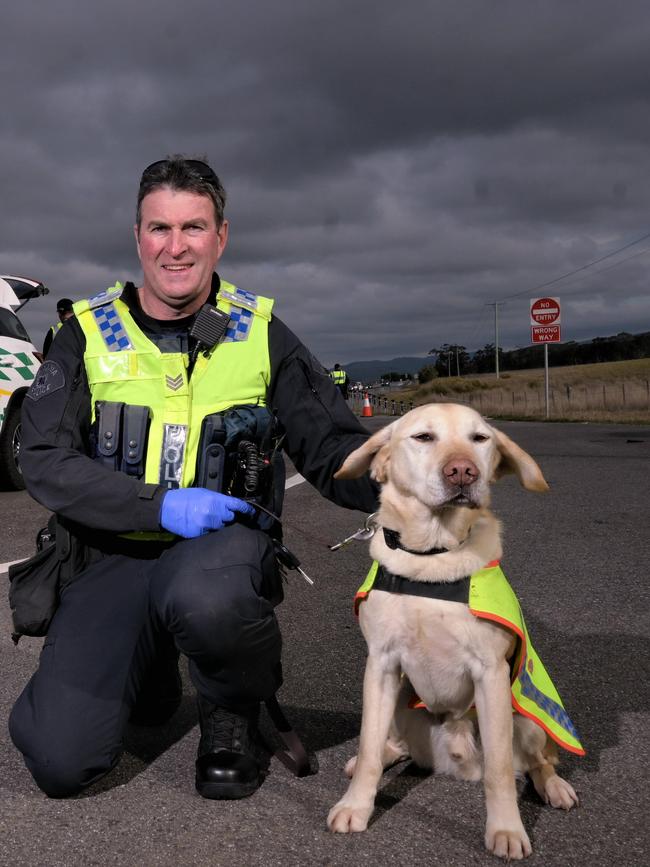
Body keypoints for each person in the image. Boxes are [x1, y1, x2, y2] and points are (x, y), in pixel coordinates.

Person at [10, 156, 377, 801]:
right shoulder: (83, 334)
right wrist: (158, 507)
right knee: (60, 761)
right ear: (137, 237)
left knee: (208, 600)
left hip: (219, 557)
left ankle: (231, 708)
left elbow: (332, 451)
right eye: (160, 229)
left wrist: (422, 473)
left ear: (221, 236)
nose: (175, 247)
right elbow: (42, 457)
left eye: (193, 228)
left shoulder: (262, 333)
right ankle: (148, 665)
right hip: (111, 555)